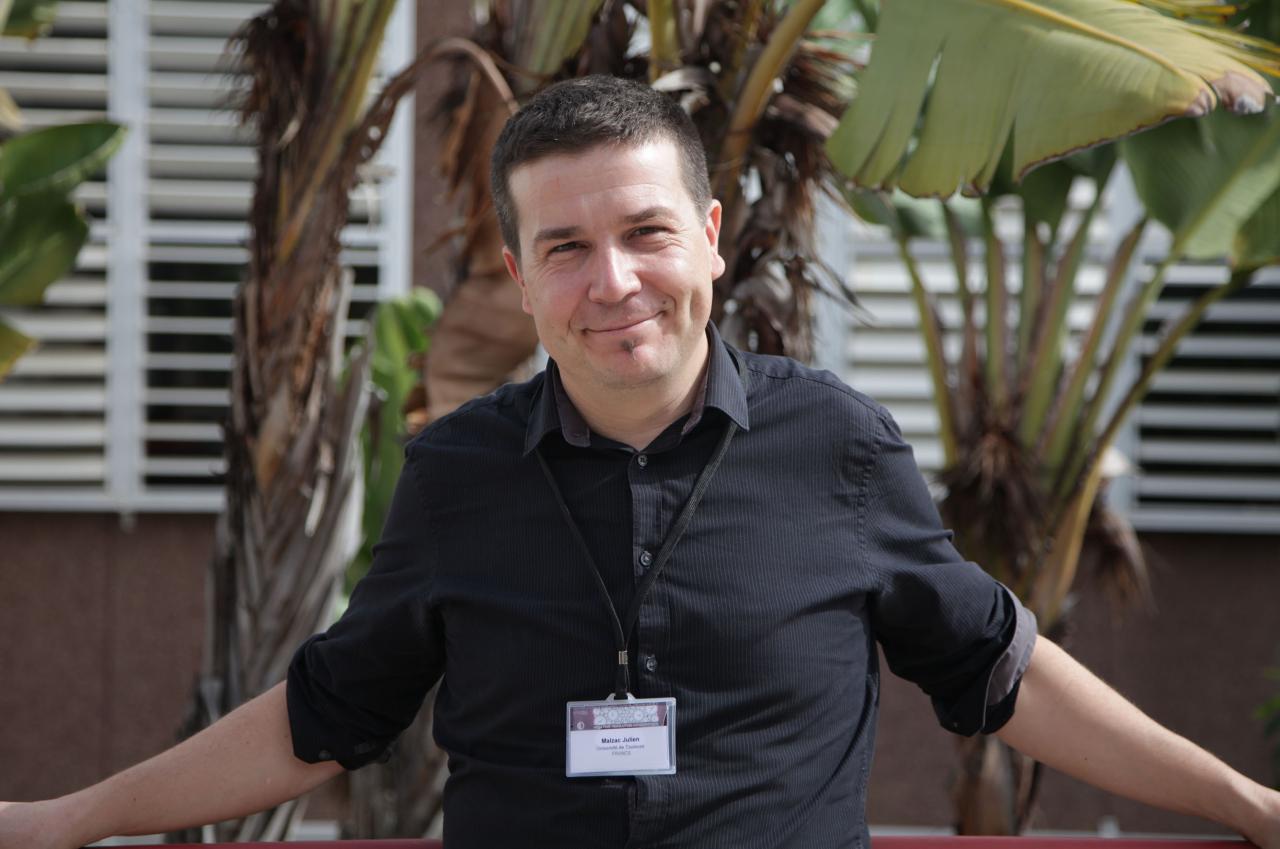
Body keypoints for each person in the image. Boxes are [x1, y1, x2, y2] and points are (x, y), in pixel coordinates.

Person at [1, 74, 1277, 849]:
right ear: (517, 273)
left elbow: (999, 668)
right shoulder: (458, 477)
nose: (611, 282)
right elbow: (325, 715)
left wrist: (1242, 801)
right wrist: (65, 820)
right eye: (562, 247)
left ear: (712, 240)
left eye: (646, 233)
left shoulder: (834, 443)